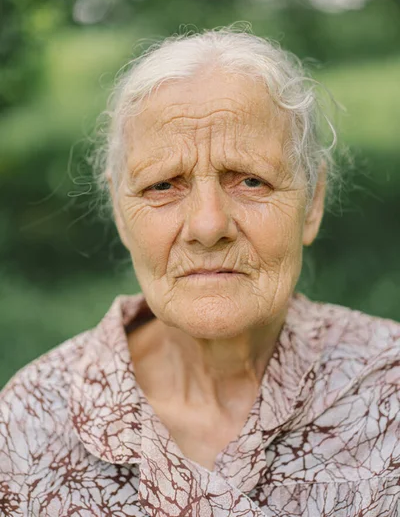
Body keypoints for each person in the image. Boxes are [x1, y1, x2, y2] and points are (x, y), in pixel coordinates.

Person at [0, 27, 399, 517]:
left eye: (252, 180)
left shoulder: (388, 387)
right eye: (163, 185)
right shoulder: (31, 418)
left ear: (312, 202)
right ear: (121, 213)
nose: (208, 226)